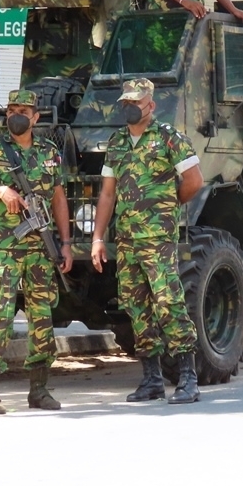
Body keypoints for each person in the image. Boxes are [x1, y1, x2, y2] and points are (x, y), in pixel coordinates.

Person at [91, 78, 205, 405]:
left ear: (150, 105)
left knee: (169, 302)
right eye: (125, 102)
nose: (130, 108)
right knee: (136, 306)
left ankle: (187, 377)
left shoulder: (169, 139)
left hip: (158, 240)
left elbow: (194, 182)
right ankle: (152, 379)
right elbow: (108, 193)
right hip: (127, 241)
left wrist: (165, 205)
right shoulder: (116, 143)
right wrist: (98, 237)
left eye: (136, 103)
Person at [0, 89, 74, 414]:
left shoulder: (49, 151)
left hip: (40, 249)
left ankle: (39, 389)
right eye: (11, 110)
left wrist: (64, 244)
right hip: (4, 248)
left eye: (23, 110)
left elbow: (58, 199)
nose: (16, 115)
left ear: (36, 117)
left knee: (42, 317)